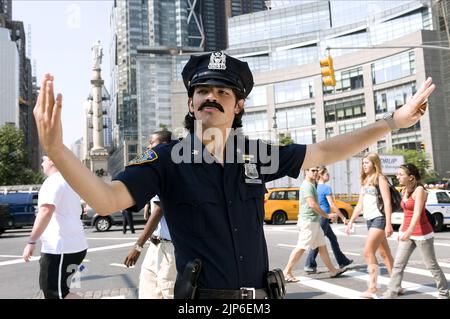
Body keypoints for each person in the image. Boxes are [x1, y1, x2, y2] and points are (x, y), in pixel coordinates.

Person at [33, 51, 434, 299]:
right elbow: (106, 198)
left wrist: (392, 123)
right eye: (202, 91)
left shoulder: (256, 155)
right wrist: (56, 150)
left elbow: (326, 150)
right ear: (191, 103)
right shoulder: (166, 158)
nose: (211, 97)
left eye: (223, 92)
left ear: (238, 106)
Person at [22, 156, 88, 299]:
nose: (41, 163)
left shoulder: (53, 182)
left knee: (55, 293)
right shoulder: (70, 181)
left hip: (60, 248)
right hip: (72, 246)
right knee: (60, 292)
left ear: (53, 160)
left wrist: (31, 241)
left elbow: (45, 211)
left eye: (44, 159)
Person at [383, 164, 449, 299]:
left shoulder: (419, 190)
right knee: (398, 264)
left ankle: (444, 293)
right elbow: (407, 213)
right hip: (407, 232)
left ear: (411, 177)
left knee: (431, 266)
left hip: (422, 233)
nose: (397, 177)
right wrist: (402, 230)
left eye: (401, 174)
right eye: (398, 174)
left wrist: (409, 230)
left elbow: (417, 212)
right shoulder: (404, 191)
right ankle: (391, 293)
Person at [124, 130, 177, 299]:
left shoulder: (169, 167)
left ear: (163, 146)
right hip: (156, 245)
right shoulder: (157, 167)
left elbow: (159, 210)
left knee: (167, 291)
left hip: (169, 248)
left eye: (152, 143)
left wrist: (138, 246)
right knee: (148, 292)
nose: (148, 146)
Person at [283, 167, 348, 282]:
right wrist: (327, 216)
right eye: (312, 170)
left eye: (316, 170)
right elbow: (312, 204)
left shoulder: (313, 184)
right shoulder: (307, 185)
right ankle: (287, 272)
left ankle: (332, 270)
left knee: (322, 246)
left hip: (314, 221)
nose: (315, 172)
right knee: (301, 247)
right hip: (308, 221)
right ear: (306, 172)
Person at [345, 153, 395, 299]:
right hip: (369, 219)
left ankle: (372, 288)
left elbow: (387, 202)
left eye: (367, 163)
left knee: (368, 251)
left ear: (374, 163)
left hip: (380, 218)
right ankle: (396, 284)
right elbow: (360, 204)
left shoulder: (381, 179)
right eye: (363, 163)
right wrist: (351, 221)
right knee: (385, 253)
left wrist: (389, 224)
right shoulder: (365, 180)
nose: (364, 165)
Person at [304, 166, 353, 273]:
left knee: (333, 238)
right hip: (324, 217)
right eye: (327, 174)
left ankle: (342, 261)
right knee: (318, 241)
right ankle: (309, 264)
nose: (329, 176)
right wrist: (343, 217)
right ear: (321, 175)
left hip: (319, 216)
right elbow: (332, 204)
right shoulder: (326, 188)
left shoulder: (315, 187)